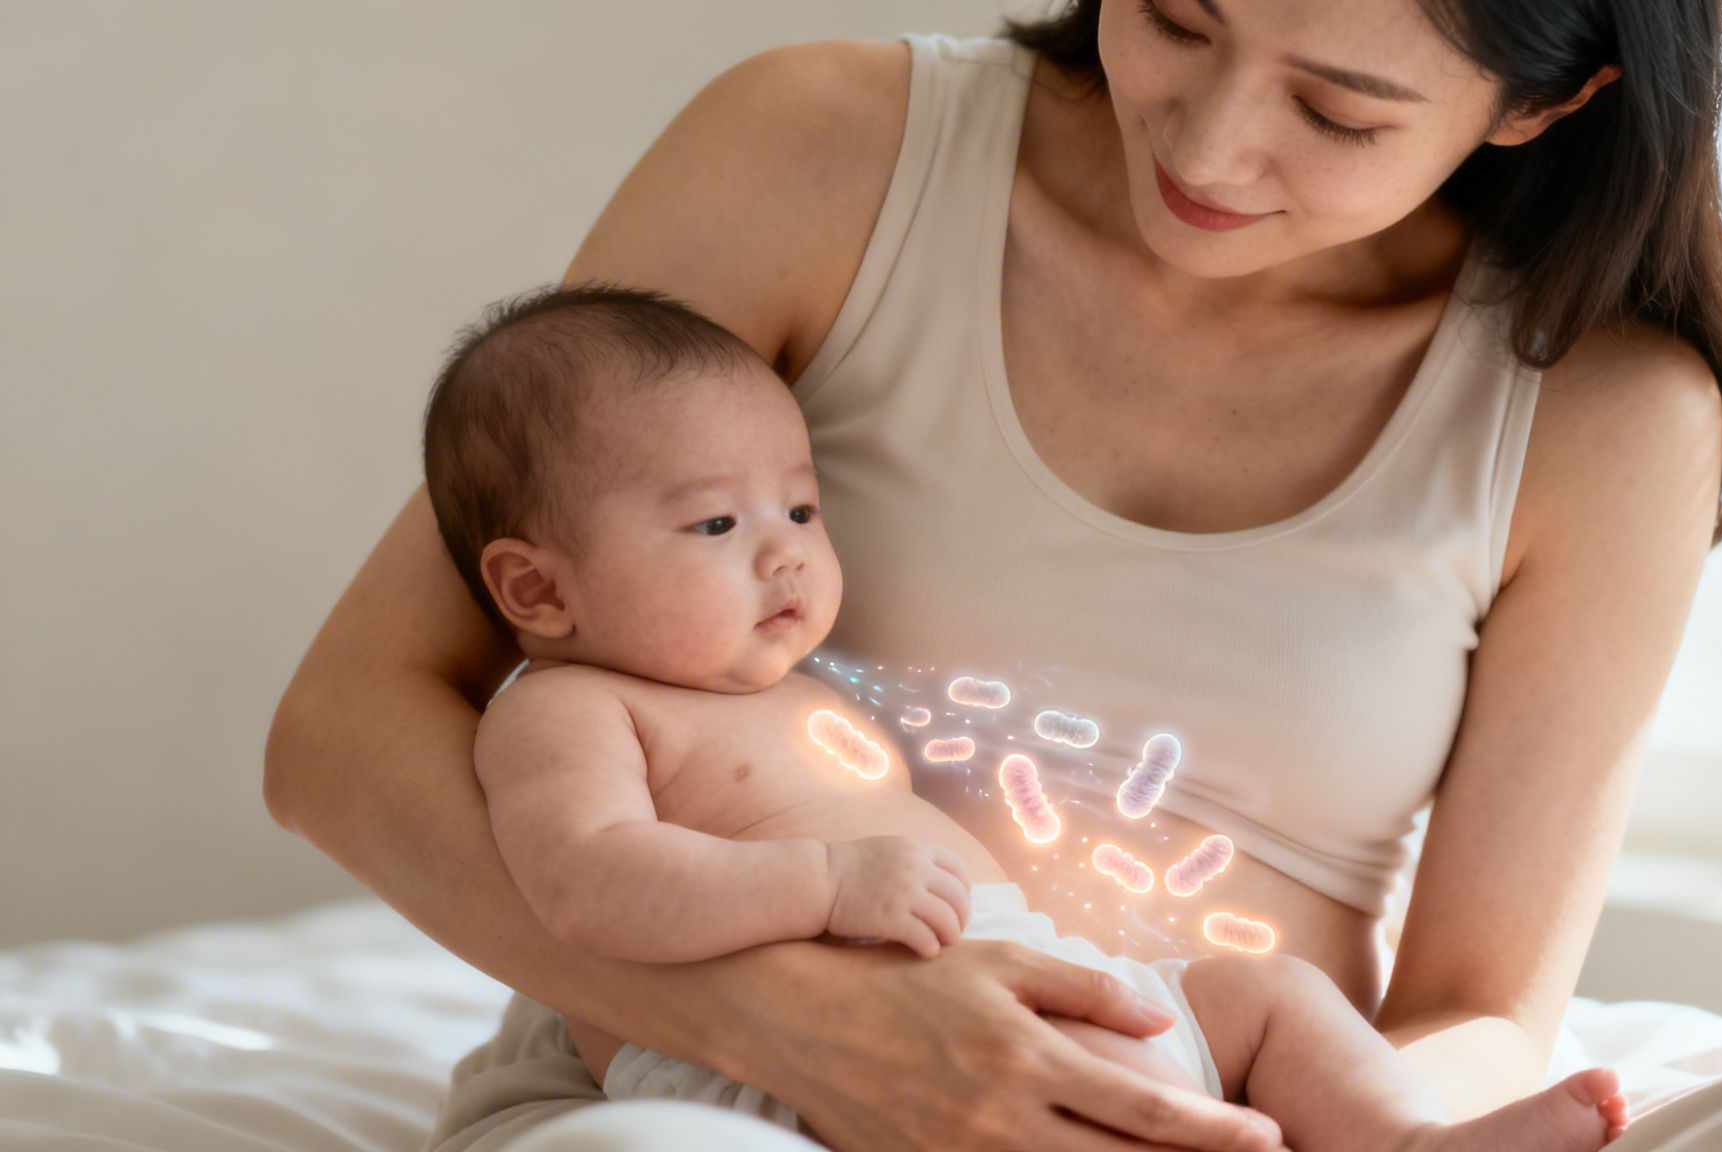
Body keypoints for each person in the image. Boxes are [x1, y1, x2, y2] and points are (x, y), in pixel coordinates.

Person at [265, 1, 1722, 1149]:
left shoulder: (1596, 411)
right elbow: (348, 728)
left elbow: (1483, 1004)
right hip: (737, 1081)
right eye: (1175, 17)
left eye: (1337, 110)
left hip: (1247, 1086)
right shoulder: (825, 149)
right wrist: (824, 1038)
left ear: (1539, 102)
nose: (1198, 148)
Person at [420, 283, 1631, 1150]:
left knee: (1266, 1000)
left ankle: (1402, 1145)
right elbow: (585, 888)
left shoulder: (790, 695)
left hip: (1056, 998)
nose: (786, 558)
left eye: (798, 509)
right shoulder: (566, 712)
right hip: (772, 1075)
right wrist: (825, 890)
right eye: (715, 527)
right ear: (536, 587)